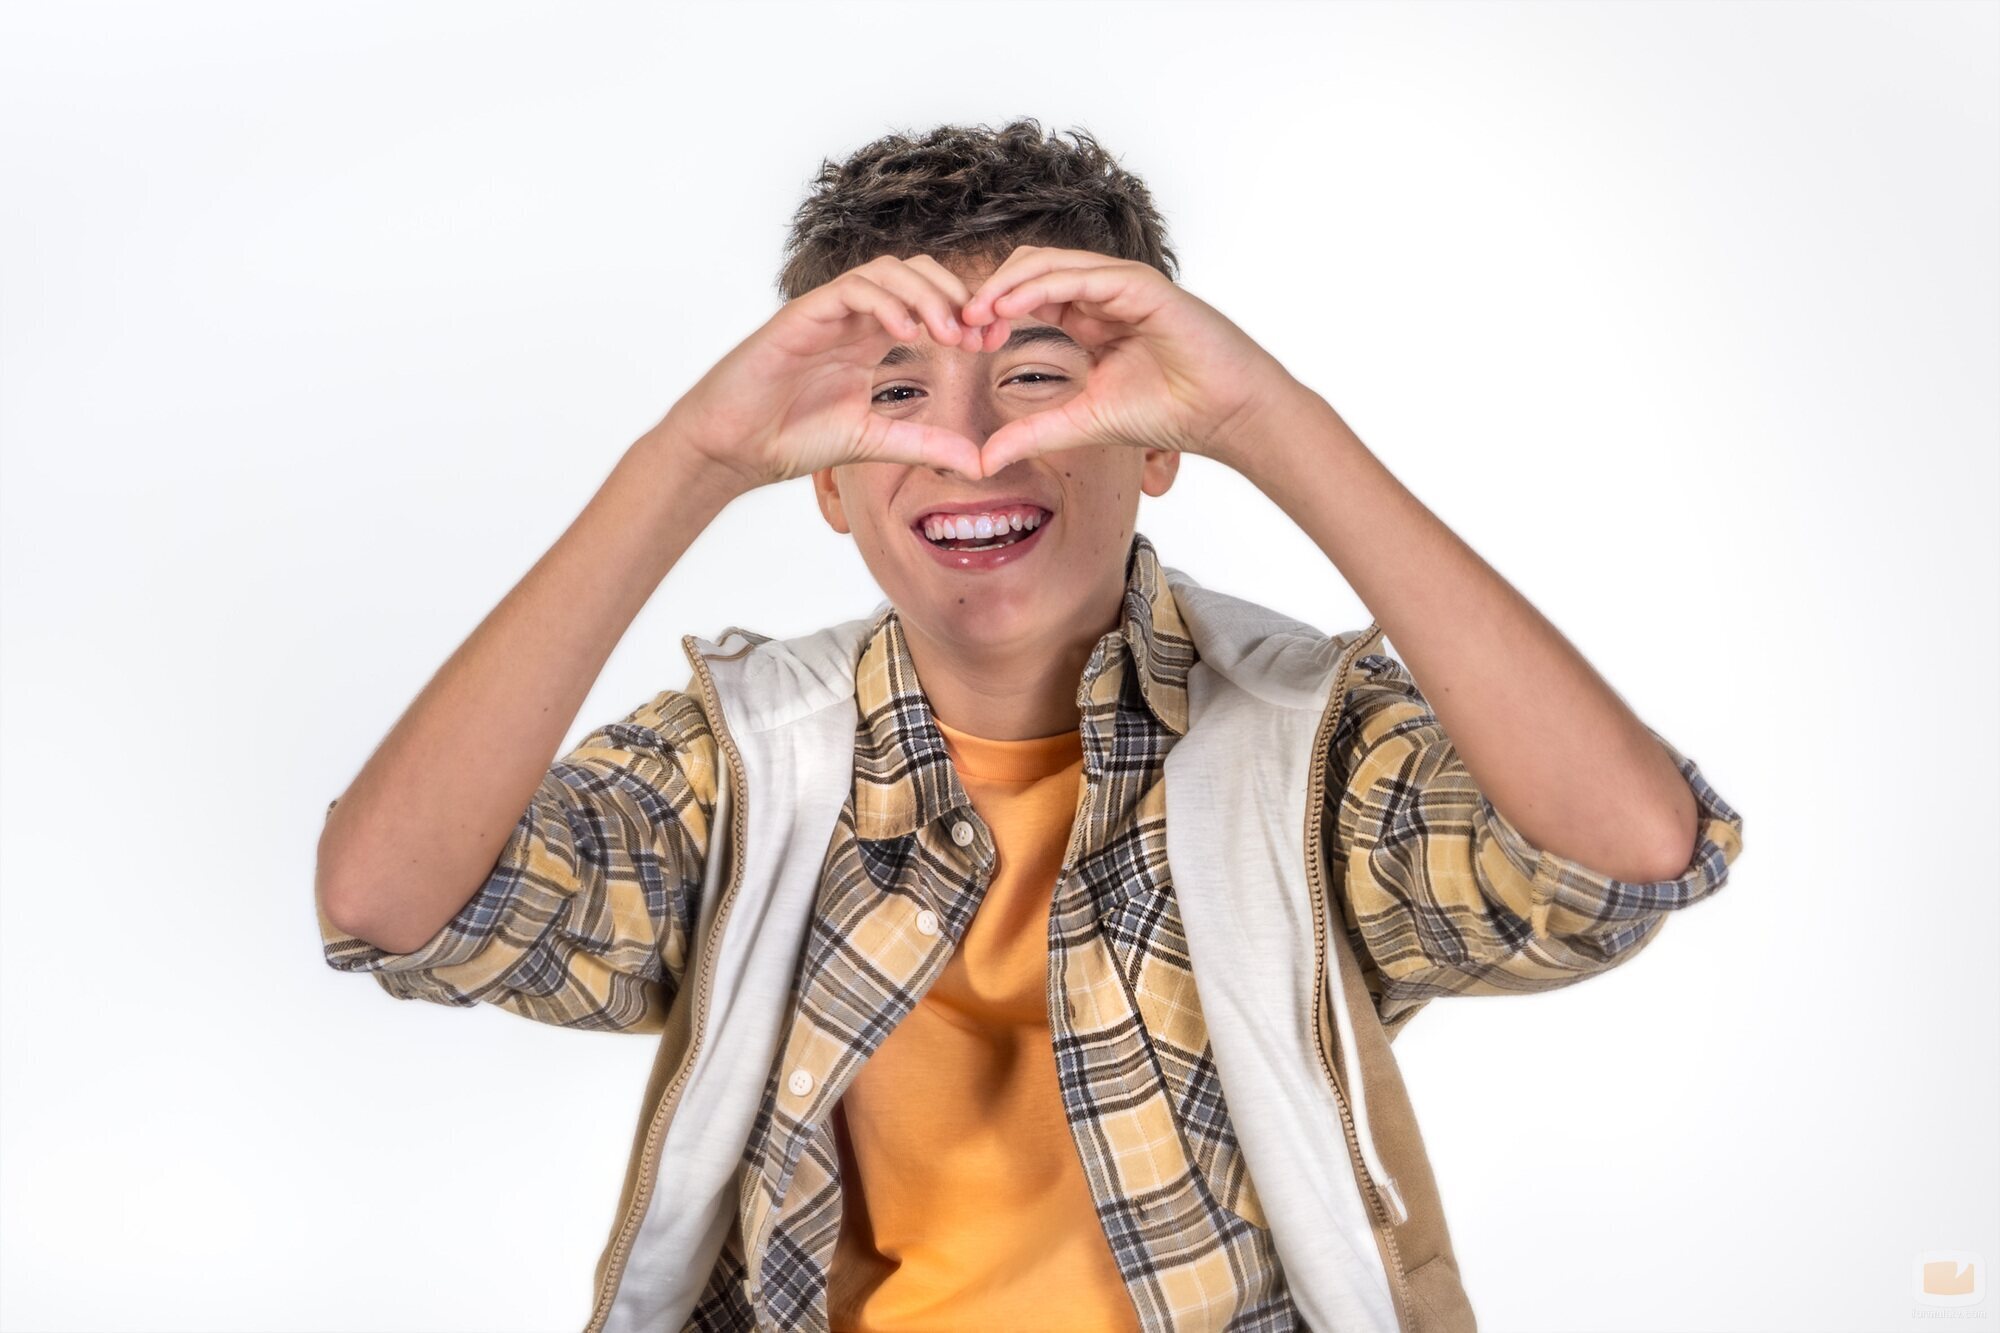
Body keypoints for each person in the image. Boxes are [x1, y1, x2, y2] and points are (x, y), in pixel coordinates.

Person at [314, 118, 1745, 1333]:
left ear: (1160, 432)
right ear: (824, 475)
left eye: (1041, 378)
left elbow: (1623, 856)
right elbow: (395, 901)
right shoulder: (739, 767)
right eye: (896, 397)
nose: (973, 443)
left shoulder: (1302, 754)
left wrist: (1273, 416)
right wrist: (688, 460)